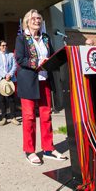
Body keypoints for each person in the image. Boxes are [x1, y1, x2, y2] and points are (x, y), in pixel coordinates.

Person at [15, 9, 67, 166]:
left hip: (44, 80)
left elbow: (50, 56)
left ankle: (48, 148)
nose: (36, 20)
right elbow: (20, 59)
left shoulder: (45, 37)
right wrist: (38, 62)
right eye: (33, 18)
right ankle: (30, 151)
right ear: (27, 21)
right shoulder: (21, 38)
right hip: (28, 81)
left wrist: (53, 61)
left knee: (46, 115)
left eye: (39, 18)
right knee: (29, 116)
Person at [0, 40, 19, 126]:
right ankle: (4, 118)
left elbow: (15, 65)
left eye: (6, 45)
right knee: (2, 100)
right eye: (3, 45)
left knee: (12, 99)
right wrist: (4, 75)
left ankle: (13, 117)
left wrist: (9, 75)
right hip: (1, 80)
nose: (5, 47)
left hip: (10, 79)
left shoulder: (11, 55)